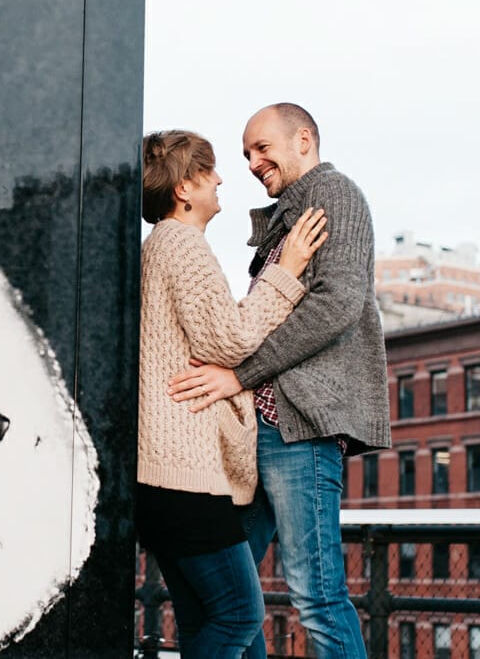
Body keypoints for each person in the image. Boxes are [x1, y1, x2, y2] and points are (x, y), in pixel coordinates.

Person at [168, 104, 391, 659]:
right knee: (232, 597)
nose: (251, 162)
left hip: (300, 431)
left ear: (304, 140)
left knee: (316, 596)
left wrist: (239, 374)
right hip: (261, 430)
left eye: (263, 148)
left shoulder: (332, 194)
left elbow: (337, 303)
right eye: (246, 153)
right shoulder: (286, 216)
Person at [137, 129, 327, 658]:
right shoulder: (181, 244)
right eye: (209, 171)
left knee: (203, 623)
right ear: (184, 188)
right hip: (184, 477)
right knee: (240, 612)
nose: (222, 179)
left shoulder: (159, 248)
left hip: (163, 479)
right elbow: (232, 339)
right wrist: (287, 272)